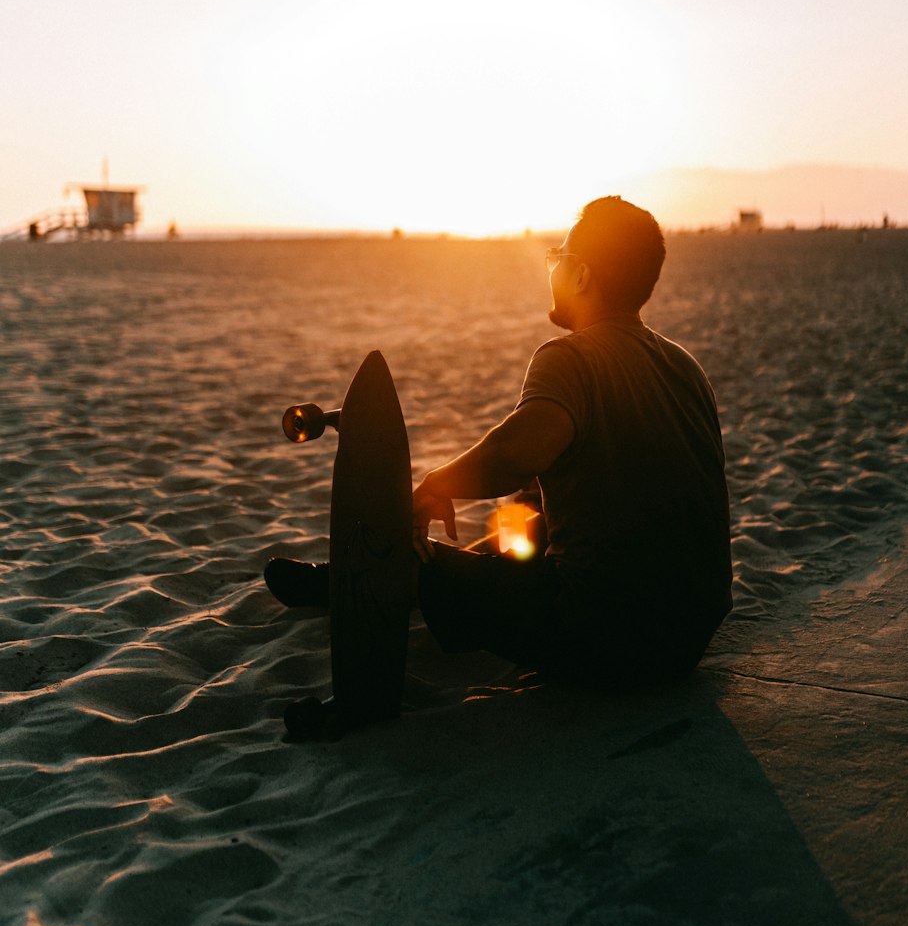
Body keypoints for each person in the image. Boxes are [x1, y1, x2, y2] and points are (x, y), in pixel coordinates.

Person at [267, 196, 732, 687]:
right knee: (533, 514)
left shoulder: (569, 357)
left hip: (604, 633)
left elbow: (515, 453)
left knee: (424, 565)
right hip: (690, 633)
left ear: (581, 276)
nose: (551, 269)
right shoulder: (686, 367)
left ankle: (357, 578)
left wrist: (435, 484)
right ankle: (369, 576)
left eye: (558, 257)